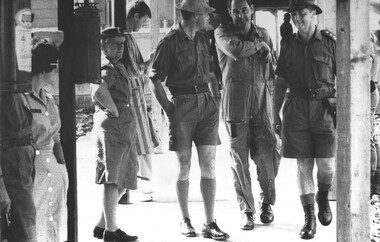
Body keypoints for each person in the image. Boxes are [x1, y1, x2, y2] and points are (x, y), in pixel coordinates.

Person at [149, 0, 229, 240]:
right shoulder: (169, 42)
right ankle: (185, 219)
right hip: (182, 106)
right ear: (194, 16)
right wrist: (169, 109)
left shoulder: (204, 39)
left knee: (209, 164)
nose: (209, 18)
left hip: (206, 105)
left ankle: (210, 222)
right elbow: (155, 80)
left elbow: (212, 73)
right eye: (205, 14)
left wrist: (216, 100)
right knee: (184, 166)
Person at [214, 0, 281, 231]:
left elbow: (273, 69)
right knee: (239, 160)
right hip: (235, 104)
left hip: (262, 104)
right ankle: (247, 210)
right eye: (235, 11)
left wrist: (266, 50)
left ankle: (266, 203)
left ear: (251, 10)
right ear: (230, 13)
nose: (240, 15)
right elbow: (236, 50)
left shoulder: (264, 34)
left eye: (244, 10)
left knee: (268, 155)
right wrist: (259, 46)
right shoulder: (222, 33)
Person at [274, 0, 336, 239]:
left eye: (301, 14)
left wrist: (340, 108)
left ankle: (323, 194)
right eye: (294, 15)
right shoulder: (288, 45)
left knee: (327, 165)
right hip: (296, 109)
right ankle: (309, 218)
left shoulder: (330, 43)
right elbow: (280, 82)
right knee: (303, 165)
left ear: (313, 14)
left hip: (324, 109)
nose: (297, 19)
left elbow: (344, 77)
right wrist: (274, 114)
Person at [91, 27, 138, 242]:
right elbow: (98, 90)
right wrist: (115, 110)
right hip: (114, 127)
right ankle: (111, 230)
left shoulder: (118, 66)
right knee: (112, 180)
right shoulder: (106, 68)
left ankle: (102, 225)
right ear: (104, 46)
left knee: (124, 178)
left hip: (123, 126)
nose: (119, 48)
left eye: (122, 43)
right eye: (114, 44)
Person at [26, 35, 69, 242]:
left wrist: (62, 168)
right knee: (33, 228)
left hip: (54, 171)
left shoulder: (49, 99)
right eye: (54, 66)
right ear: (45, 67)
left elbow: (56, 138)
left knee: (53, 228)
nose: (57, 71)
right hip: (32, 174)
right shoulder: (20, 100)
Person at [118, 0, 156, 204]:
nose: (142, 25)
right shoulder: (125, 38)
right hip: (131, 95)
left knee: (139, 140)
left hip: (133, 95)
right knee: (141, 141)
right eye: (143, 21)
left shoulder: (127, 38)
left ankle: (134, 186)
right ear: (135, 16)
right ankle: (144, 187)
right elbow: (134, 70)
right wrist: (149, 63)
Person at [1, 93, 36, 242]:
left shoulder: (15, 87)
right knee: (24, 216)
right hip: (11, 156)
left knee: (25, 216)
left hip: (21, 155)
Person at [370, 32, 380, 197]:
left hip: (369, 90)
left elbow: (371, 81)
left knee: (368, 140)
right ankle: (375, 185)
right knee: (371, 138)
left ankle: (372, 183)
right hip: (371, 90)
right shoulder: (373, 55)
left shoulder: (370, 56)